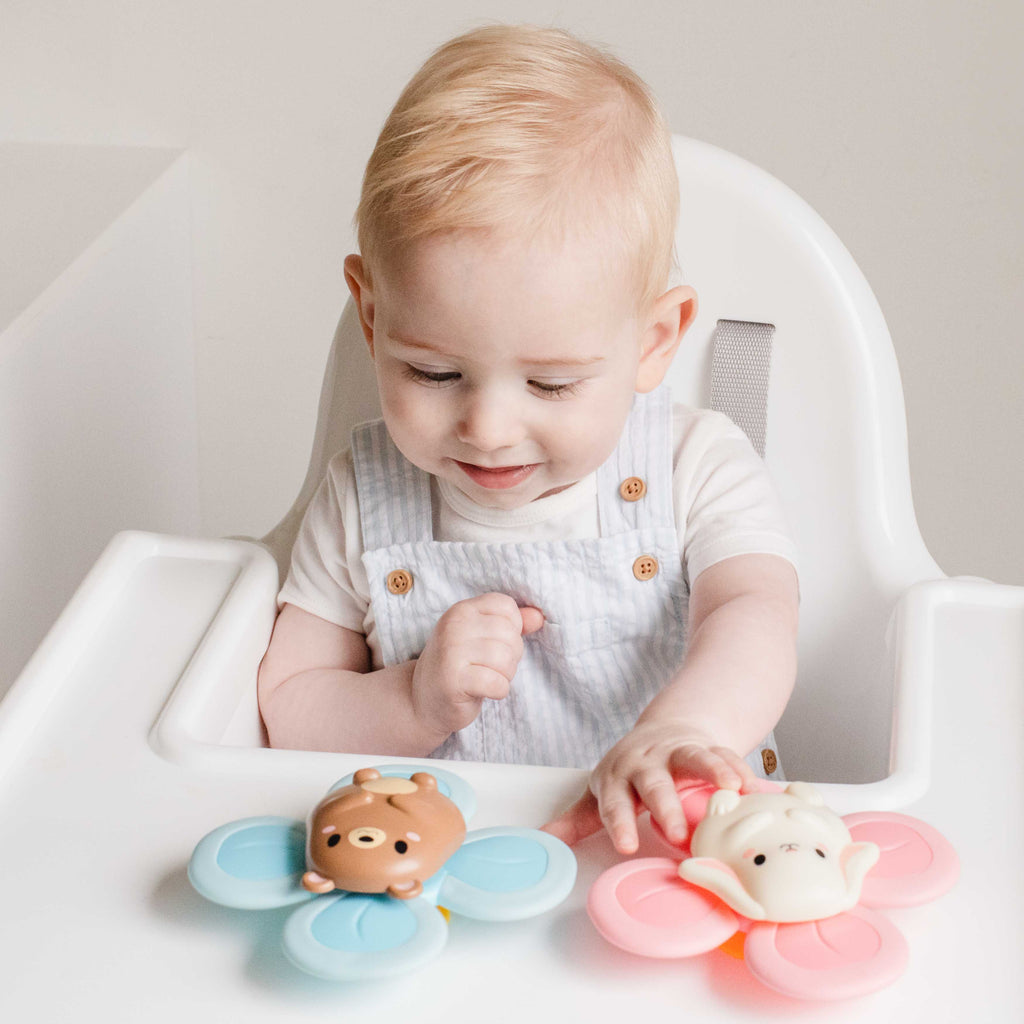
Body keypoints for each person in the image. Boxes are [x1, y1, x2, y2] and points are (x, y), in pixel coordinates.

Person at [257, 24, 799, 855]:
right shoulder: (363, 498)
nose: (487, 428)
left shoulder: (697, 466)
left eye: (551, 384)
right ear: (372, 316)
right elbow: (288, 704)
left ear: (655, 340)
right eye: (435, 374)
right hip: (436, 880)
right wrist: (409, 703)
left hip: (673, 859)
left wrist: (683, 728)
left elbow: (757, 614)